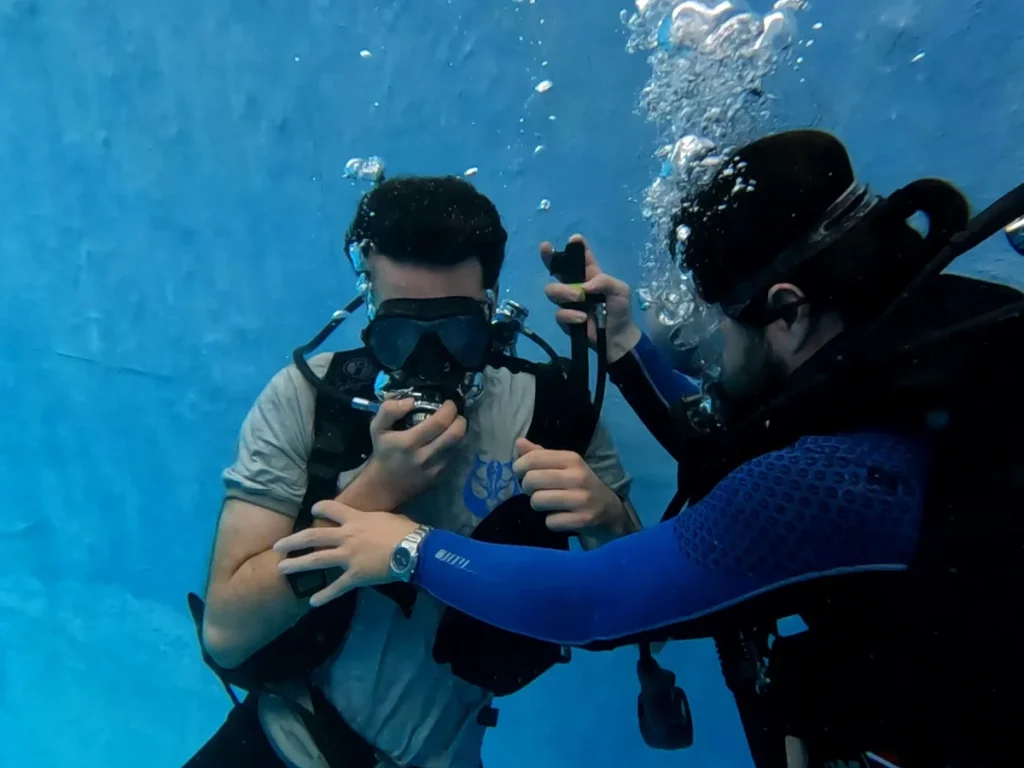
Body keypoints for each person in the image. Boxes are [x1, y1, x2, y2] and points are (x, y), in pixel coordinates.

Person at [274, 131, 1024, 768]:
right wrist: (626, 345)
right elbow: (731, 433)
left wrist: (407, 548)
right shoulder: (917, 357)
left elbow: (593, 600)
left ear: (788, 312)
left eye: (723, 321)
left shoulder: (835, 483)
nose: (711, 347)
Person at [187, 175, 639, 768]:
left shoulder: (551, 410)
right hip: (280, 750)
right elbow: (227, 631)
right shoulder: (310, 398)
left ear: (490, 307)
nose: (430, 361)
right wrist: (375, 491)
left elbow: (642, 608)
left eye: (457, 331)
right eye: (399, 334)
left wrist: (610, 520)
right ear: (368, 307)